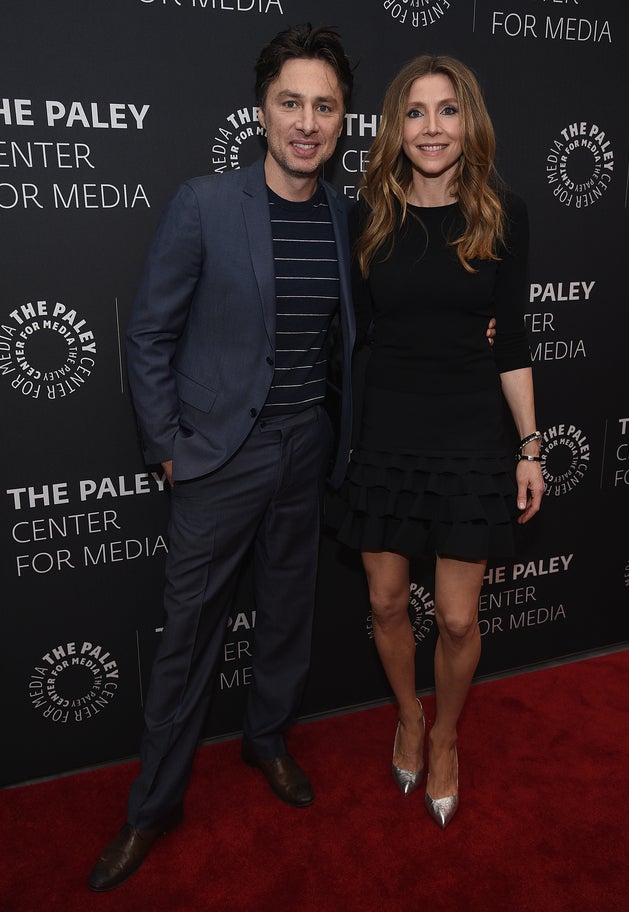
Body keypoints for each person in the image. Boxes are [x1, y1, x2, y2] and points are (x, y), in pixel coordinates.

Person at [88, 24, 357, 892]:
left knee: (287, 615)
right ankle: (152, 806)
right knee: (187, 643)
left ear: (343, 118)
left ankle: (267, 740)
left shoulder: (346, 214)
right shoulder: (206, 203)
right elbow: (151, 333)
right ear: (262, 111)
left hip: (305, 448)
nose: (306, 122)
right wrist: (168, 450)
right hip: (217, 462)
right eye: (291, 103)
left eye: (324, 105)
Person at [332, 54, 545, 829]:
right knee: (387, 601)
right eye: (416, 112)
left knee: (456, 620)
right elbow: (350, 336)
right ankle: (409, 718)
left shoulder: (504, 214)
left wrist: (529, 446)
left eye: (447, 110)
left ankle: (448, 735)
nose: (431, 127)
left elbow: (512, 339)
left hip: (467, 435)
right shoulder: (366, 217)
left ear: (470, 122)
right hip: (385, 434)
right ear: (396, 126)